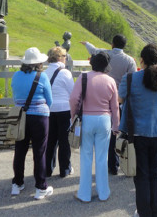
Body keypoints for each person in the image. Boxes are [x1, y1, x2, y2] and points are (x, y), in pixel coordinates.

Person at [118, 44, 157, 217]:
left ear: (141, 59)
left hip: (138, 133)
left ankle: (144, 212)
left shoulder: (130, 78)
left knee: (141, 174)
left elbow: (120, 99)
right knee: (154, 172)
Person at [81, 34, 136, 175]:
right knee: (118, 132)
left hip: (102, 98)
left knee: (106, 134)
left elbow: (94, 50)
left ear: (112, 44)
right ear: (124, 45)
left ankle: (106, 165)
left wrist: (86, 43)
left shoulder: (105, 54)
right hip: (120, 99)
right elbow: (132, 80)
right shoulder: (129, 60)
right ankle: (117, 163)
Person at [69, 52, 119, 203]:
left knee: (86, 156)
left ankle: (84, 193)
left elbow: (73, 99)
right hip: (104, 120)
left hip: (87, 120)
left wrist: (73, 117)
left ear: (92, 63)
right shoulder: (110, 81)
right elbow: (115, 107)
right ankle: (103, 192)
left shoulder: (83, 77)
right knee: (102, 157)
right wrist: (116, 125)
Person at [10, 47, 54, 200]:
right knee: (39, 152)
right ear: (39, 63)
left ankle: (17, 183)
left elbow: (15, 97)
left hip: (21, 116)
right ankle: (40, 187)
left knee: (20, 150)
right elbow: (50, 100)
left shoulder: (16, 75)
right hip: (40, 117)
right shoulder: (42, 77)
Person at [44, 46, 75, 178]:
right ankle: (65, 169)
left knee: (50, 141)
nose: (66, 59)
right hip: (64, 109)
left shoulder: (45, 72)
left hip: (49, 110)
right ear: (60, 57)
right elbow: (72, 93)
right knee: (64, 141)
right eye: (65, 57)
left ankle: (47, 169)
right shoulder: (65, 72)